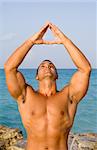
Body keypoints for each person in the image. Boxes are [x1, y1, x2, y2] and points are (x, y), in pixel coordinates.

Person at [4, 22, 91, 150]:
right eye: (43, 66)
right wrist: (31, 41)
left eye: (51, 66)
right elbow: (9, 68)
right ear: (36, 76)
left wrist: (64, 40)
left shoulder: (68, 96)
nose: (47, 67)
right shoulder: (26, 95)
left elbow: (85, 69)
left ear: (57, 75)